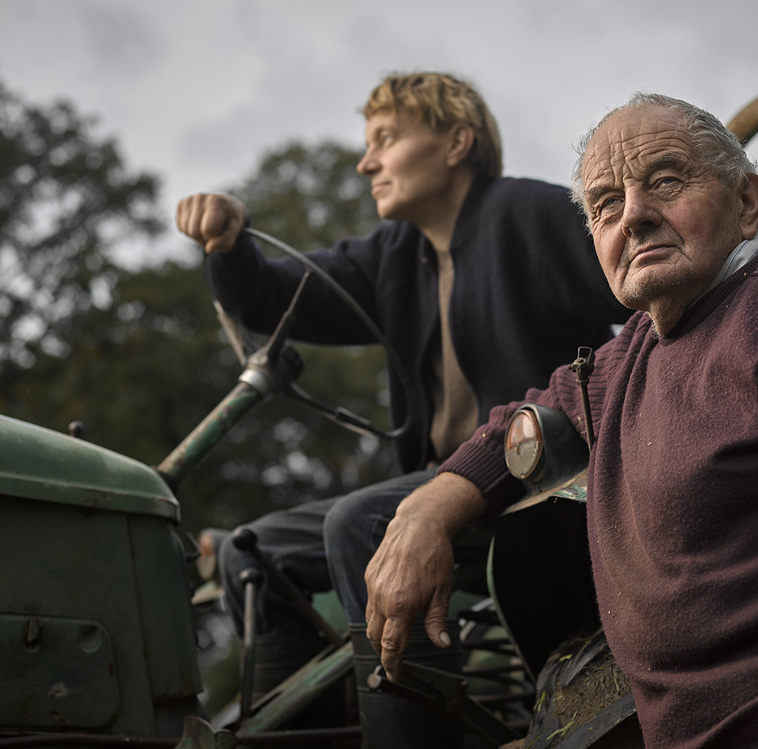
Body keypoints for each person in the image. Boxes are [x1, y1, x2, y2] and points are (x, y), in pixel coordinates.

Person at [364, 92, 758, 748]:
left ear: (747, 201)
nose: (634, 216)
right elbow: (518, 426)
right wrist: (422, 513)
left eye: (666, 180)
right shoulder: (627, 358)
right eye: (606, 203)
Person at [175, 72, 629, 744]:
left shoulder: (529, 214)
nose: (367, 162)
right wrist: (228, 244)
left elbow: (643, 287)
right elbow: (270, 295)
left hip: (541, 482)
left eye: (385, 139)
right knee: (254, 553)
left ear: (456, 143)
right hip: (441, 482)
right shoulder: (393, 256)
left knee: (359, 520)